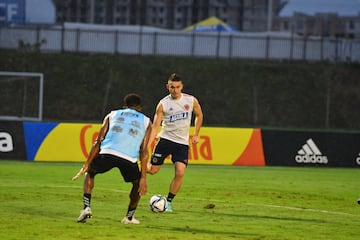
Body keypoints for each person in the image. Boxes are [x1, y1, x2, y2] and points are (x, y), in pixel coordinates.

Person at [72, 93, 151, 224]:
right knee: (136, 184)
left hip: (107, 152)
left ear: (124, 106)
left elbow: (98, 141)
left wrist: (87, 164)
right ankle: (129, 217)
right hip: (129, 158)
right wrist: (143, 178)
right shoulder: (146, 121)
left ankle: (86, 207)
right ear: (139, 108)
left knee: (90, 173)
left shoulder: (112, 114)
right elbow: (144, 151)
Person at [147, 73, 203, 212]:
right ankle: (142, 166)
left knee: (180, 172)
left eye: (177, 87)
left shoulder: (191, 100)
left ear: (181, 86)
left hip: (182, 143)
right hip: (165, 140)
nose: (175, 90)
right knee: (153, 171)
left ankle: (169, 202)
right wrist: (148, 144)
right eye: (172, 87)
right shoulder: (163, 104)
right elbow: (155, 126)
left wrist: (196, 134)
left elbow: (199, 115)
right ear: (168, 87)